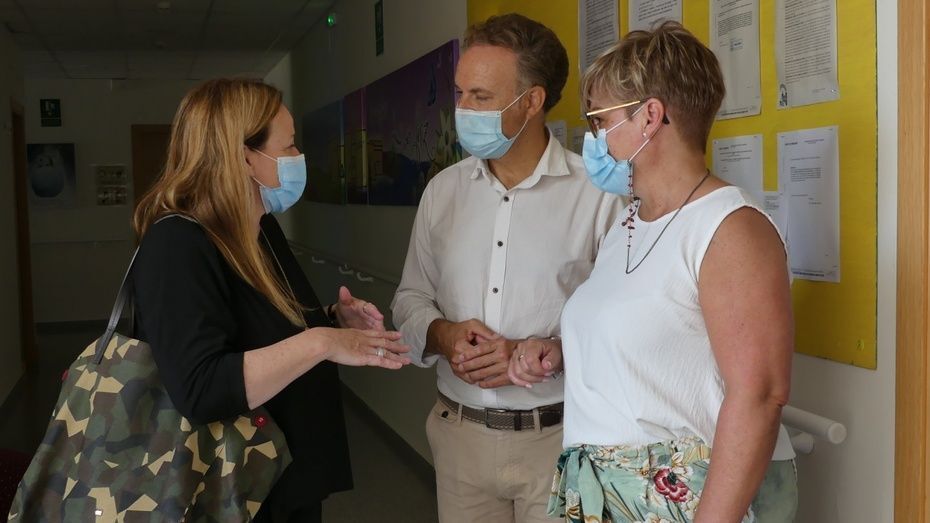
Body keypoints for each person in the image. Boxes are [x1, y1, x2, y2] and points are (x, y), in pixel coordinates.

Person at [529, 22, 798, 522]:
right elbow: (658, 340)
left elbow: (760, 395)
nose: (594, 139)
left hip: (683, 499)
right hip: (608, 494)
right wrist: (566, 351)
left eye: (600, 120)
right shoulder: (629, 223)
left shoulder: (730, 229)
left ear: (650, 117)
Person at [131, 78, 411, 522]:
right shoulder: (178, 245)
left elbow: (262, 329)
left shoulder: (260, 230)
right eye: (289, 146)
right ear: (245, 157)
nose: (299, 157)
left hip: (285, 481)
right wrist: (322, 342)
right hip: (234, 494)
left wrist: (332, 320)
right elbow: (201, 389)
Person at [391, 13, 621, 523]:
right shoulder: (442, 192)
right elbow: (409, 299)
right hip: (460, 438)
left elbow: (622, 324)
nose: (462, 109)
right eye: (460, 94)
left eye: (480, 96)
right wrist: (444, 335)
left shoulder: (598, 195)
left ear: (532, 101)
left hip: (560, 439)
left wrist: (543, 352)